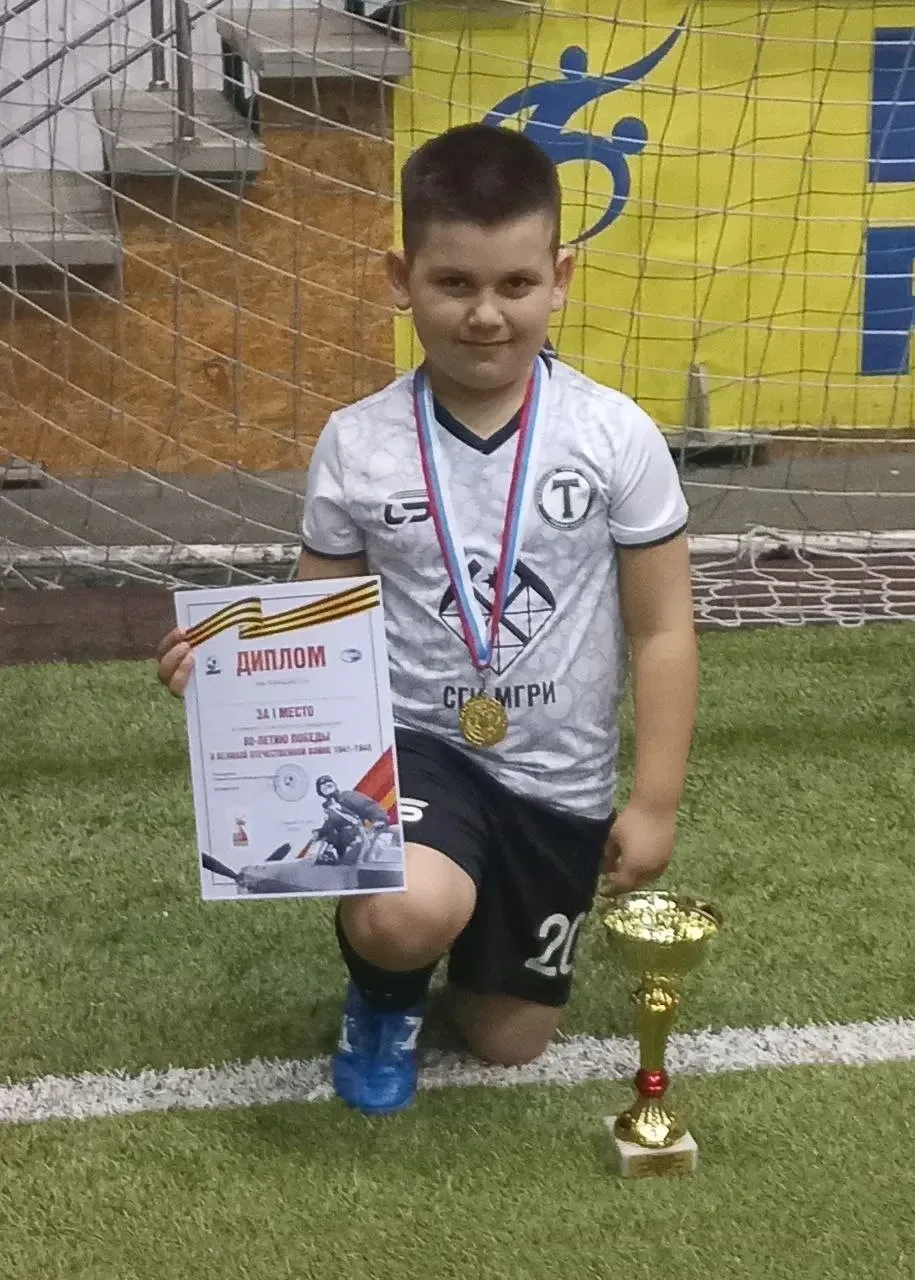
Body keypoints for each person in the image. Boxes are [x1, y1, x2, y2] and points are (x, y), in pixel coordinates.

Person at [156, 122, 696, 1117]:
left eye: (515, 284)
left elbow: (662, 630)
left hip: (558, 777)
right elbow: (313, 629)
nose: (486, 314)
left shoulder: (615, 436)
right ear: (401, 279)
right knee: (406, 915)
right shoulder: (357, 443)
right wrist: (225, 663)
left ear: (560, 278)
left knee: (506, 1043)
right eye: (454, 284)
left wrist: (653, 801)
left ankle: (471, 933)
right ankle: (383, 992)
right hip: (414, 752)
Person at [305, 776, 391, 868]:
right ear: (320, 791)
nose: (326, 788)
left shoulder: (347, 797)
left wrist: (379, 819)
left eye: (329, 785)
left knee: (353, 862)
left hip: (356, 838)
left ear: (334, 785)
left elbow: (368, 805)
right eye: (323, 787)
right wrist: (320, 833)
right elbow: (330, 824)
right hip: (340, 844)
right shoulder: (330, 806)